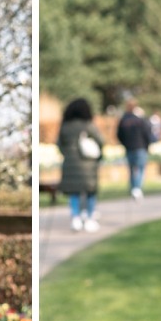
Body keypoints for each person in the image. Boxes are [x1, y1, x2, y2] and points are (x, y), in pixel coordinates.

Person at [56, 97, 103, 231]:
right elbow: (100, 141)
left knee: (74, 193)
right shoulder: (88, 126)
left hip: (70, 164)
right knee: (90, 192)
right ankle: (89, 218)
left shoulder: (65, 127)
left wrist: (68, 155)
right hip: (88, 164)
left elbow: (59, 144)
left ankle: (75, 218)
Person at [116, 97, 155, 200]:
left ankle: (133, 188)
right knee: (140, 168)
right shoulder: (140, 119)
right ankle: (137, 188)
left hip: (129, 147)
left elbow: (119, 135)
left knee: (132, 169)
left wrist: (125, 144)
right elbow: (147, 133)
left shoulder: (123, 120)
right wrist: (147, 145)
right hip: (140, 147)